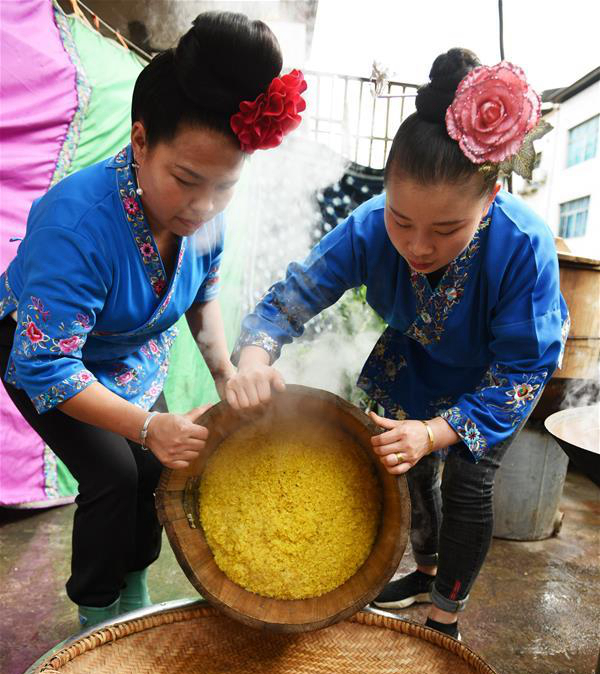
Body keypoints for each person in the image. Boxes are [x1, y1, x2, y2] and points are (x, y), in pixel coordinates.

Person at [225, 49, 569, 641]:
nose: (418, 246)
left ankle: (445, 616)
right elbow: (292, 298)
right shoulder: (367, 225)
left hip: (495, 377)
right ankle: (424, 569)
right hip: (416, 358)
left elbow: (521, 369)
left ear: (488, 202)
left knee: (468, 479)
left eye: (445, 230)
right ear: (386, 191)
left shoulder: (522, 244)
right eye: (402, 221)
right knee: (405, 467)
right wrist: (255, 355)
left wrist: (438, 431)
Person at [0, 12, 307, 629]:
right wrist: (146, 424)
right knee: (113, 474)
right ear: (140, 141)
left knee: (157, 468)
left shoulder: (208, 216)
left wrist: (224, 370)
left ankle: (132, 595)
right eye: (186, 181)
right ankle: (93, 615)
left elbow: (203, 297)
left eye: (224, 187)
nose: (203, 206)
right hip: (45, 351)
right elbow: (49, 363)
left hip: (130, 354)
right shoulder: (76, 223)